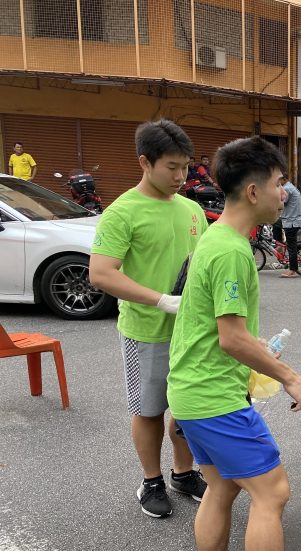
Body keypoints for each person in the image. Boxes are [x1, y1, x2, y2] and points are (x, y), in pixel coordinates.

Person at [167, 136, 301, 551]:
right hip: (215, 399)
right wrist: (291, 378)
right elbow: (231, 336)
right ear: (251, 190)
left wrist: (258, 354)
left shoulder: (218, 240)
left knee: (221, 486)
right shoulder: (232, 252)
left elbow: (219, 330)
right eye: (279, 183)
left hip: (195, 392)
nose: (284, 192)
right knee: (273, 492)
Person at [89, 119, 207, 518]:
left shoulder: (192, 210)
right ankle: (151, 480)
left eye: (185, 167)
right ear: (145, 162)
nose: (180, 176)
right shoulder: (123, 212)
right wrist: (161, 301)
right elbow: (101, 273)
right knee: (149, 409)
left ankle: (183, 473)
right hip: (147, 331)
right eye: (171, 167)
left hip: (191, 331)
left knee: (187, 407)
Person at [274, 174, 301, 278]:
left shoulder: (287, 188)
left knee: (291, 247)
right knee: (275, 223)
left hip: (292, 221)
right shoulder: (290, 186)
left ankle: (292, 270)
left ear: (283, 179)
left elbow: (281, 203)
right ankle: (280, 245)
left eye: (278, 180)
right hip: (292, 219)